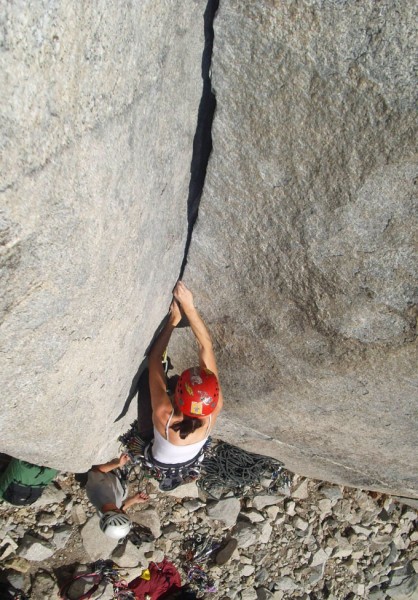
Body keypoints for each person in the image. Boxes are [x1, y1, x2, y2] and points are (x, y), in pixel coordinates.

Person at [147, 281, 223, 489]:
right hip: (191, 456)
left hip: (162, 460)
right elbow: (205, 346)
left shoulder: (165, 415)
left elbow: (153, 360)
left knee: (153, 388)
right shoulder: (213, 406)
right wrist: (189, 307)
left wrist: (173, 320)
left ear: (176, 397)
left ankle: (165, 474)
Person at [86, 453, 148, 540]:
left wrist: (118, 463)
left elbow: (95, 470)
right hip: (119, 479)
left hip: (112, 467)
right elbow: (121, 507)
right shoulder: (106, 512)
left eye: (124, 515)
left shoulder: (98, 492)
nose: (125, 513)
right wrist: (134, 500)